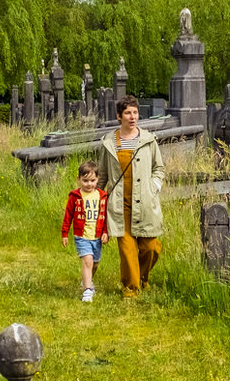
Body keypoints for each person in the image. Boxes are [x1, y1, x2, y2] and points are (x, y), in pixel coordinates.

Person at [98, 95, 164, 295]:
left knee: (151, 248)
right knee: (127, 250)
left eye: (135, 112)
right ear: (119, 116)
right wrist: (95, 200)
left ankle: (143, 278)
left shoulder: (148, 140)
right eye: (128, 113)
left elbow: (158, 168)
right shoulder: (108, 142)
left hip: (145, 202)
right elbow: (102, 175)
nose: (132, 116)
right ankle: (130, 289)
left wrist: (153, 186)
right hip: (119, 204)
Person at [59, 159, 108, 302]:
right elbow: (68, 215)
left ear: (97, 179)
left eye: (92, 180)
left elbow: (104, 216)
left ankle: (88, 280)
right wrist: (64, 233)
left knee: (95, 263)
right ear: (79, 179)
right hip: (82, 236)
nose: (89, 184)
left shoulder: (102, 196)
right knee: (88, 261)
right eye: (85, 181)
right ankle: (87, 291)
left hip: (97, 235)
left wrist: (105, 232)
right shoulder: (75, 197)